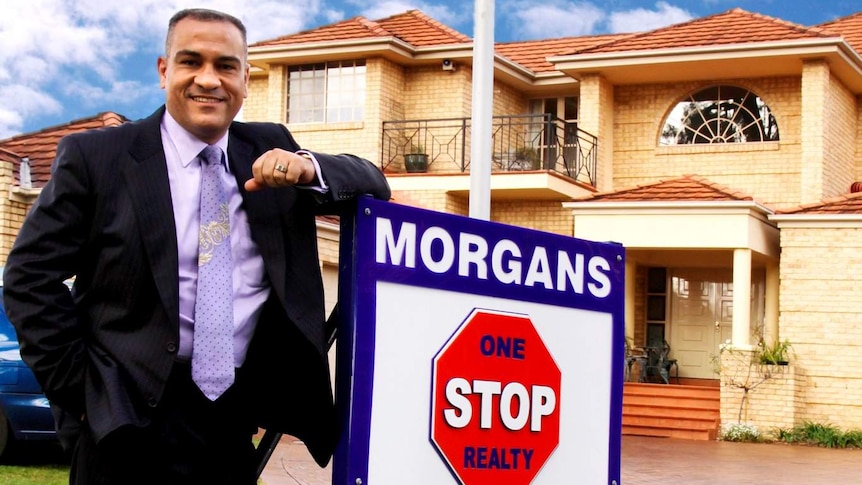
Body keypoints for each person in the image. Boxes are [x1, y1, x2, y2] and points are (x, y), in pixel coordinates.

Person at [2, 8, 390, 485]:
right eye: (191, 62)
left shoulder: (270, 149)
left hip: (232, 421)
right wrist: (84, 395)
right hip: (124, 421)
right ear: (165, 71)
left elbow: (373, 181)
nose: (209, 80)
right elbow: (27, 279)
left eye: (225, 66)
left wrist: (309, 168)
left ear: (246, 79)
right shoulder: (97, 158)